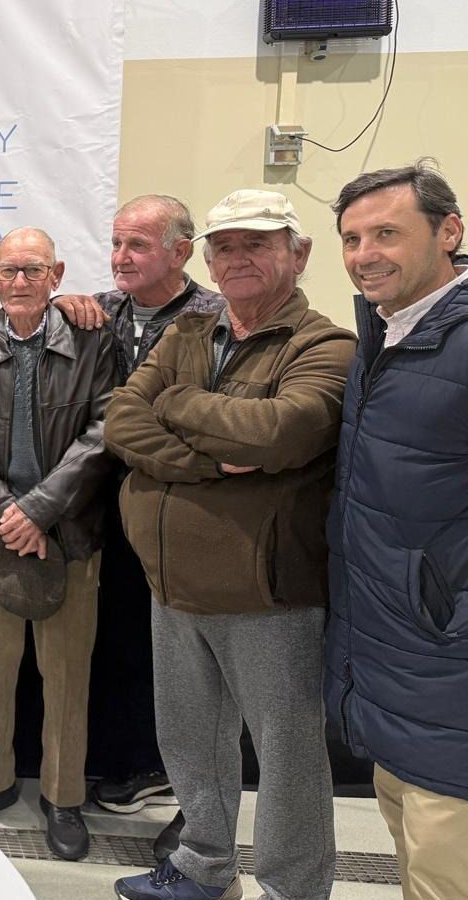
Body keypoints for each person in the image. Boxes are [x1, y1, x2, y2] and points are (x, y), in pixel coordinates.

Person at [106, 190, 353, 900]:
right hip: (173, 581)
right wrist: (212, 459)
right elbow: (123, 419)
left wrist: (175, 403)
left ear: (298, 255)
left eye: (258, 244)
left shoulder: (326, 346)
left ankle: (291, 889)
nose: (237, 258)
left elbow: (275, 433)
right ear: (207, 261)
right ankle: (203, 869)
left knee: (287, 755)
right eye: (225, 247)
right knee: (190, 740)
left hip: (266, 591)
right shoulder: (188, 331)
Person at [0, 227, 118, 861]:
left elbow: (107, 430)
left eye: (34, 270)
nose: (20, 282)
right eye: (8, 270)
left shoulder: (94, 342)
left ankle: (63, 797)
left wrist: (40, 508)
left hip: (70, 534)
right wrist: (6, 509)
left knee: (66, 675)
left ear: (56, 276)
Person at [54, 195, 225, 857]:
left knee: (194, 665)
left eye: (138, 246)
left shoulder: (217, 318)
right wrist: (61, 301)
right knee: (126, 647)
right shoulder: (99, 310)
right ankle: (137, 770)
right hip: (107, 516)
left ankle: (201, 810)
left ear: (180, 252)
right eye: (117, 244)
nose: (121, 257)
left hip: (184, 515)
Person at [324, 161, 468, 900]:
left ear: (450, 232)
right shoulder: (385, 334)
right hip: (390, 670)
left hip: (448, 680)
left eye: (387, 233)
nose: (365, 254)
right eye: (352, 238)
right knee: (415, 865)